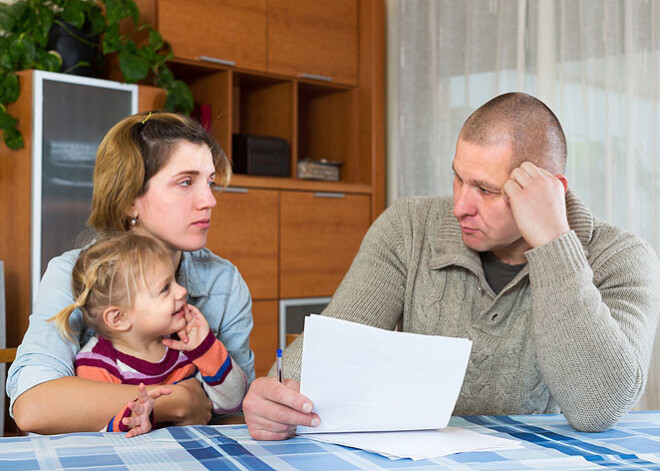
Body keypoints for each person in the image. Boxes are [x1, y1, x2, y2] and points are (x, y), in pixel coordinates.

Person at [242, 92, 660, 439]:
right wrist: (277, 395)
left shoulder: (622, 257)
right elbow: (328, 351)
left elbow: (599, 407)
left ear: (549, 191)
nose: (460, 205)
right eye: (458, 177)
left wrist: (553, 241)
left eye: (486, 189)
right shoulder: (408, 226)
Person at [8, 111, 255, 434]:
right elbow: (34, 406)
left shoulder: (224, 281)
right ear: (129, 201)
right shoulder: (71, 272)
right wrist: (178, 400)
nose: (209, 200)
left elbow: (236, 413)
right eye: (185, 182)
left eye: (209, 182)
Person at [48, 233, 247, 437]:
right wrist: (132, 421)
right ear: (119, 318)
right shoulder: (97, 364)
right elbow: (94, 433)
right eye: (165, 289)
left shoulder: (185, 345)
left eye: (174, 281)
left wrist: (205, 349)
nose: (182, 291)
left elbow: (232, 401)